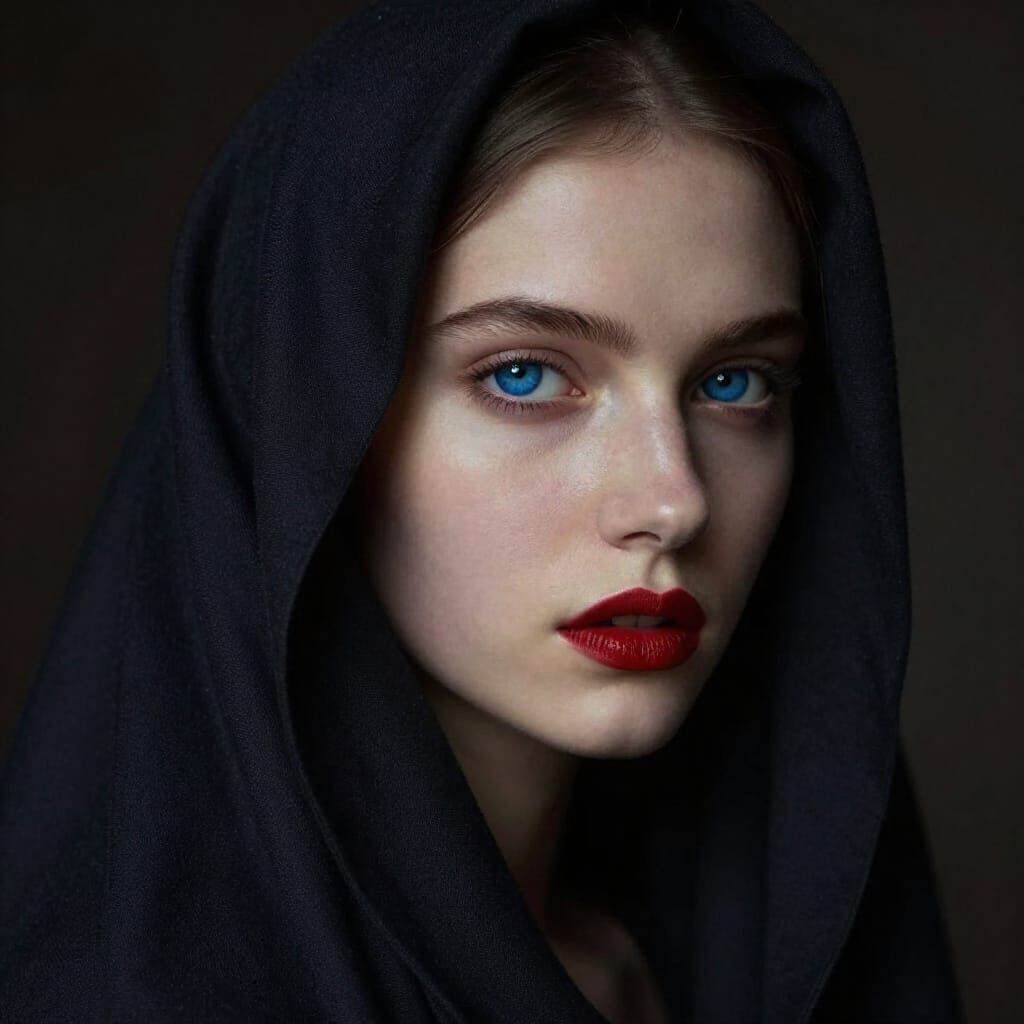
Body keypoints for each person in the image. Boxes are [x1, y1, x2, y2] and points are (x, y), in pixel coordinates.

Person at [0, 1, 964, 1022]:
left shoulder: (721, 971)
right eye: (522, 374)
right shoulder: (120, 1000)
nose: (672, 501)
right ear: (303, 422)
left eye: (735, 383)